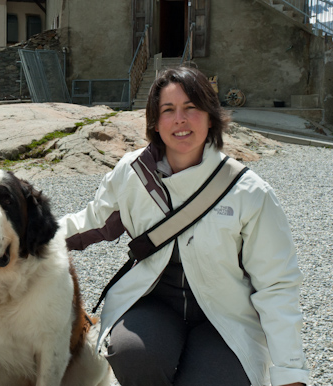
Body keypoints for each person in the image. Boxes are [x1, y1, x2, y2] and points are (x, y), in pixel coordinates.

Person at [59, 67, 309, 386]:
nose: (180, 119)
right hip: (155, 301)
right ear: (154, 122)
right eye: (168, 110)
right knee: (129, 354)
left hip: (225, 316)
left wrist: (290, 372)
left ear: (210, 116)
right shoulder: (134, 175)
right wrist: (24, 233)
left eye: (191, 107)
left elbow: (277, 285)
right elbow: (91, 223)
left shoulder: (249, 192)